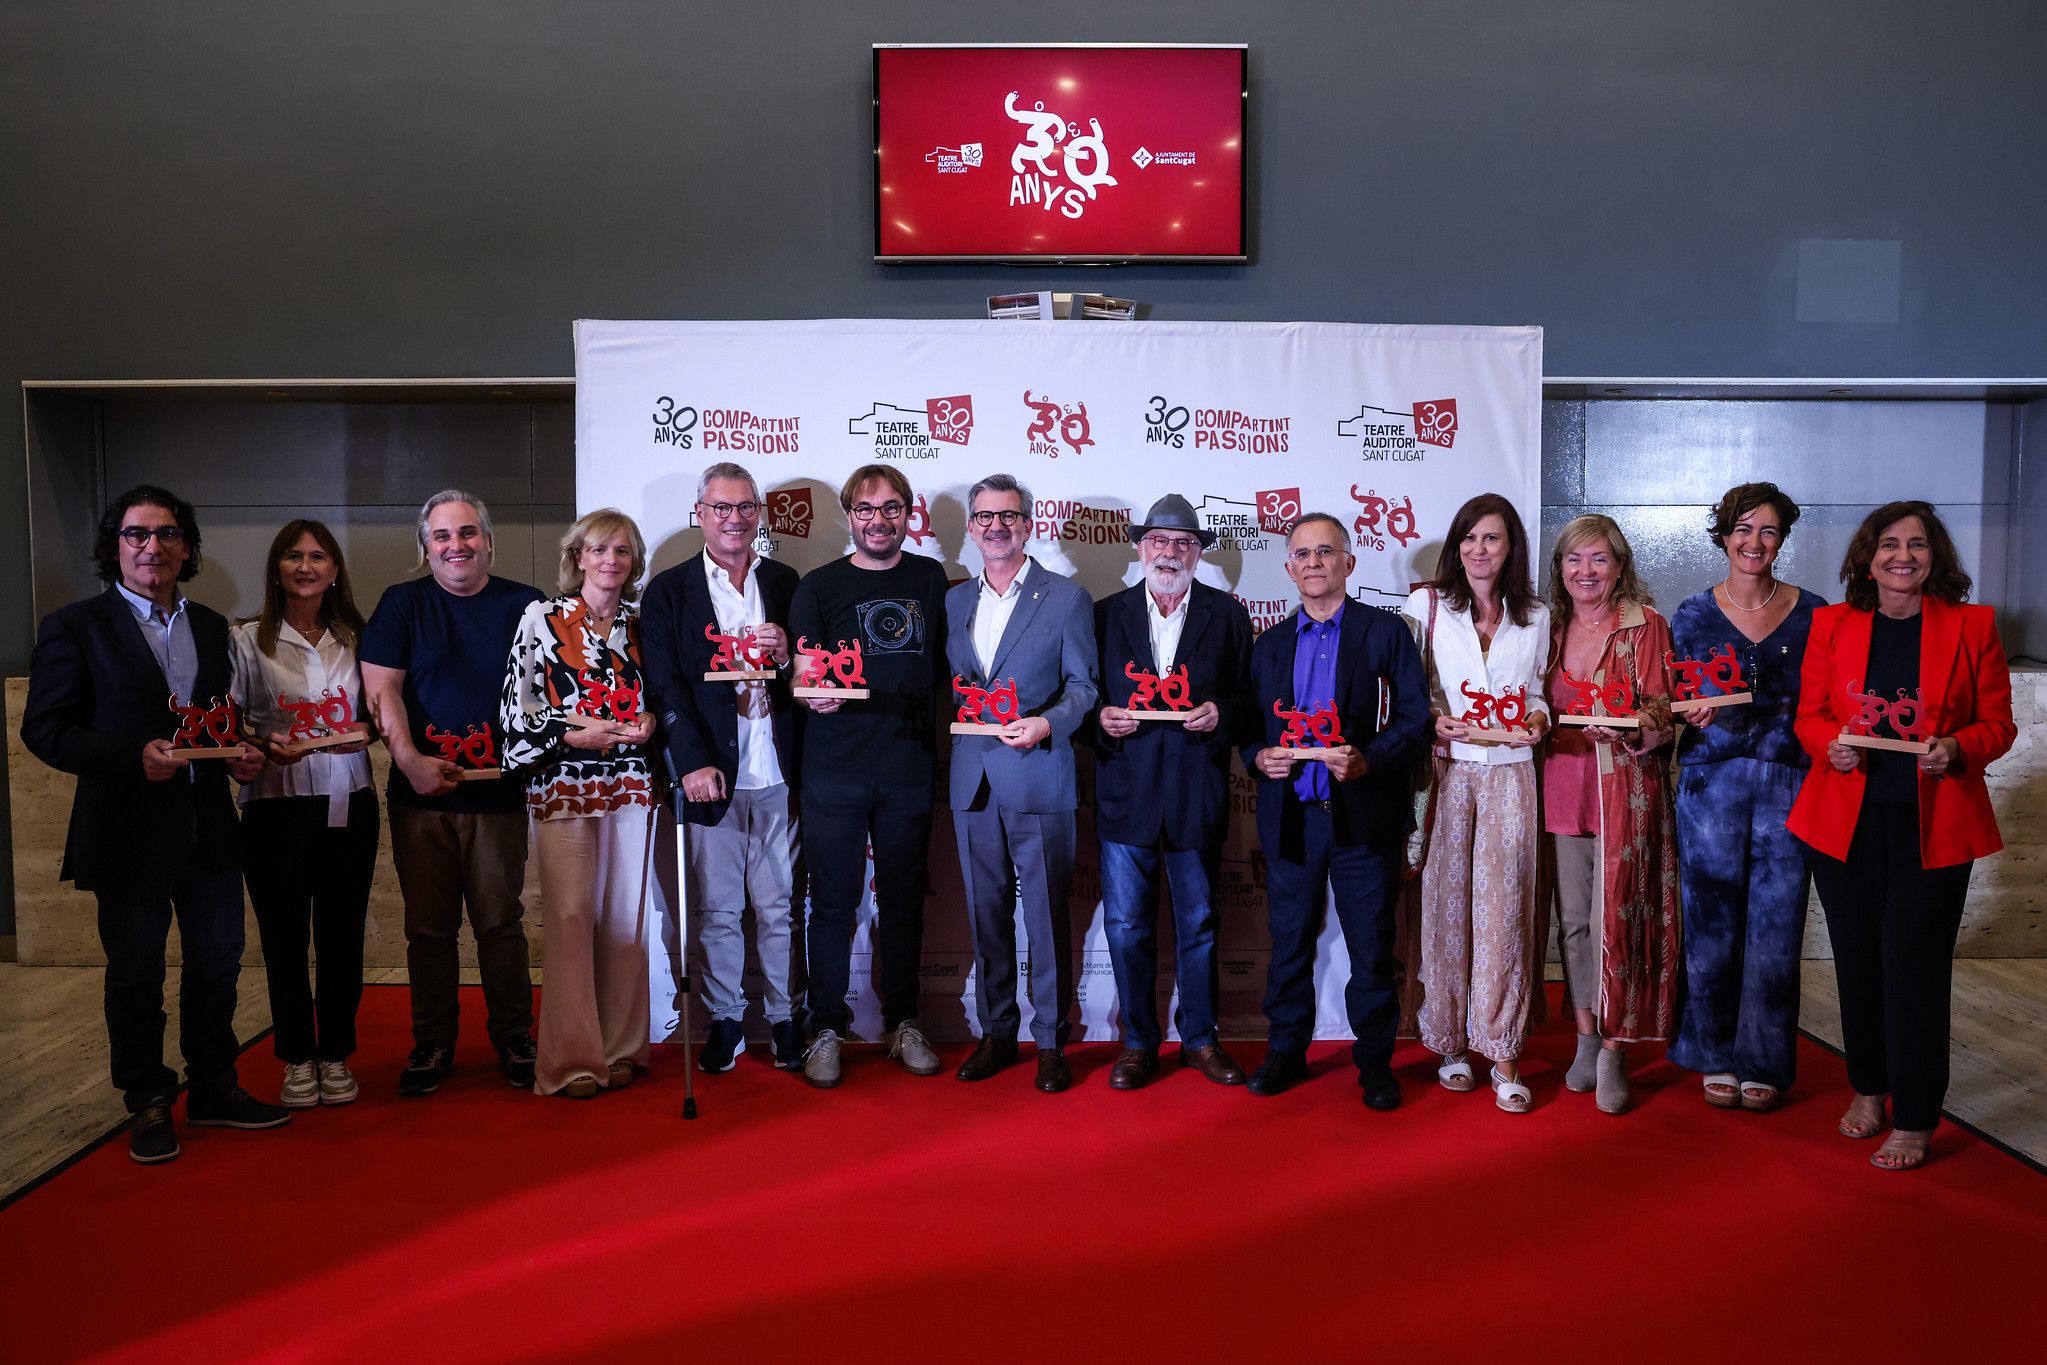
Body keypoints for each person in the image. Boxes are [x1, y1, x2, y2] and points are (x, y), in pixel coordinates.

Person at [22, 485, 286, 1163]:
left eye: (168, 533)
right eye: (137, 534)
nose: (153, 546)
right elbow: (44, 729)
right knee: (136, 972)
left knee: (218, 964)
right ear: (114, 547)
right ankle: (146, 1097)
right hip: (126, 830)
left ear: (187, 547)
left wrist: (241, 753)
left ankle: (214, 1086)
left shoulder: (212, 627)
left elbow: (218, 722)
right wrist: (130, 755)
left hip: (208, 827)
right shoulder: (75, 626)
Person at [1788, 500, 2014, 1170]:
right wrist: (1828, 745)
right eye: (1888, 544)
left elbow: (1997, 724)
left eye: (1916, 544)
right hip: (1843, 824)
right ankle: (1868, 1087)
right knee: (1857, 962)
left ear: (1933, 557)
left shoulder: (1973, 625)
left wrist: (1957, 747)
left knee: (1912, 968)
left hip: (1933, 827)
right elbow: (1808, 715)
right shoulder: (1831, 623)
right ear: (1868, 558)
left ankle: (1915, 1117)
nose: (1902, 556)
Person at [1242, 513, 1430, 1112]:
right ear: (1288, 568)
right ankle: (1285, 1051)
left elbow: (1415, 720)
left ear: (1348, 562)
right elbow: (1249, 727)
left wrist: (1369, 760)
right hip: (1292, 816)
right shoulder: (1269, 644)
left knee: (1371, 949)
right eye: (1302, 554)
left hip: (1363, 817)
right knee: (1289, 944)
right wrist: (1258, 757)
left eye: (1325, 551)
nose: (1314, 562)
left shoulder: (1385, 631)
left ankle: (1374, 1063)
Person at [360, 490, 544, 1096]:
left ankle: (515, 1037)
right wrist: (409, 761)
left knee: (500, 923)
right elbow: (382, 691)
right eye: (442, 535)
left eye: (467, 533)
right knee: (429, 929)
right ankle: (433, 1042)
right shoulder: (402, 603)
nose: (456, 545)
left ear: (488, 540)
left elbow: (549, 688)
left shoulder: (527, 604)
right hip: (421, 797)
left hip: (498, 794)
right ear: (425, 545)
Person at [787, 464, 951, 1087]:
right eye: (865, 509)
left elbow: (952, 665)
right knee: (832, 903)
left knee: (904, 901)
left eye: (891, 509)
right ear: (849, 516)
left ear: (909, 514)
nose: (878, 520)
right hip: (834, 768)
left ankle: (903, 1022)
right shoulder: (818, 585)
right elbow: (803, 671)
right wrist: (811, 692)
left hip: (908, 765)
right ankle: (826, 1027)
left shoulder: (930, 578)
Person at [1666, 484, 1825, 1112]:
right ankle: (1713, 1054)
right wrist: (1688, 714)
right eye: (1742, 528)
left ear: (1782, 539)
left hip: (1790, 781)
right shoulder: (1690, 614)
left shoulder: (1816, 613)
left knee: (1777, 927)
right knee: (1710, 923)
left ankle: (1762, 1060)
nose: (1754, 542)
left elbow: (1828, 699)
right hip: (1711, 785)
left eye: (1768, 530)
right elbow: (1672, 699)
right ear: (1724, 535)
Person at [640, 463, 803, 1073]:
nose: (734, 518)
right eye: (721, 508)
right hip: (712, 773)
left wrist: (787, 655)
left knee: (780, 908)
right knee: (716, 910)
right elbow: (664, 684)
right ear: (701, 514)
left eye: (745, 507)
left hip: (778, 769)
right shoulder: (669, 590)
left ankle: (785, 1019)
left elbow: (814, 670)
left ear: (758, 513)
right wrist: (690, 761)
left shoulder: (785, 581)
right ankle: (727, 1019)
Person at [501, 509, 666, 1098]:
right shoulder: (542, 619)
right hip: (563, 781)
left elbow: (662, 697)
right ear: (577, 557)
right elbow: (517, 708)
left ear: (634, 561)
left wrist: (652, 720)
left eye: (622, 551)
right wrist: (571, 735)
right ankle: (572, 1058)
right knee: (571, 917)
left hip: (630, 783)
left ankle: (621, 1048)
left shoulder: (643, 625)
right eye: (598, 549)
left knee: (626, 916)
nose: (610, 560)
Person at [1092, 493, 1253, 1090]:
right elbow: (1080, 695)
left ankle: (1201, 1039)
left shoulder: (1227, 615)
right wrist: (1099, 720)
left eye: (1183, 543)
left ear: (1197, 553)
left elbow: (1250, 699)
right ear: (1140, 548)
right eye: (1158, 541)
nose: (1169, 552)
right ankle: (1138, 1042)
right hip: (1125, 791)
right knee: (1126, 926)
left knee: (1200, 925)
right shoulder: (1104, 615)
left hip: (1195, 792)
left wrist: (1222, 713)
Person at [945, 474, 1099, 1093]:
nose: (996, 527)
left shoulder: (1066, 598)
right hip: (972, 779)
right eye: (984, 517)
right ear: (971, 527)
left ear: (1029, 525)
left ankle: (1051, 1041)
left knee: (1046, 918)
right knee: (985, 915)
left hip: (1038, 774)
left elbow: (1084, 687)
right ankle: (997, 1032)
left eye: (1008, 516)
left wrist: (1047, 723)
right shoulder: (955, 600)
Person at [1400, 494, 1550, 1114]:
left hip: (1512, 775)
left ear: (1511, 547)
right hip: (1448, 773)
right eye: (1468, 538)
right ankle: (1450, 1044)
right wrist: (1431, 721)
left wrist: (1538, 720)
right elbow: (1405, 692)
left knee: (1505, 912)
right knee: (1446, 909)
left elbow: (1537, 692)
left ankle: (1504, 1051)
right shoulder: (1427, 606)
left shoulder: (1536, 615)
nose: (1478, 549)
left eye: (1491, 538)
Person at [230, 519, 379, 1109]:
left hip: (349, 802)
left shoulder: (360, 636)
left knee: (342, 934)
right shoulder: (246, 639)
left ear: (335, 570)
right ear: (277, 568)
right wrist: (260, 745)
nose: (306, 566)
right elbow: (230, 722)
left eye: (318, 556)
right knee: (284, 938)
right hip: (275, 805)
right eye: (294, 556)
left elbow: (381, 713)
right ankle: (296, 1055)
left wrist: (366, 733)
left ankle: (336, 1051)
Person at [1538, 514, 1680, 1116]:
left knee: (1616, 921)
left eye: (1599, 558)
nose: (1586, 571)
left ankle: (1616, 1048)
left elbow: (1664, 711)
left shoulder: (1645, 625)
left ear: (1620, 566)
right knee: (1573, 922)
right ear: (1560, 569)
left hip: (1625, 790)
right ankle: (1586, 1036)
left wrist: (1631, 728)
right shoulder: (1548, 626)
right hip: (1561, 788)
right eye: (1574, 559)